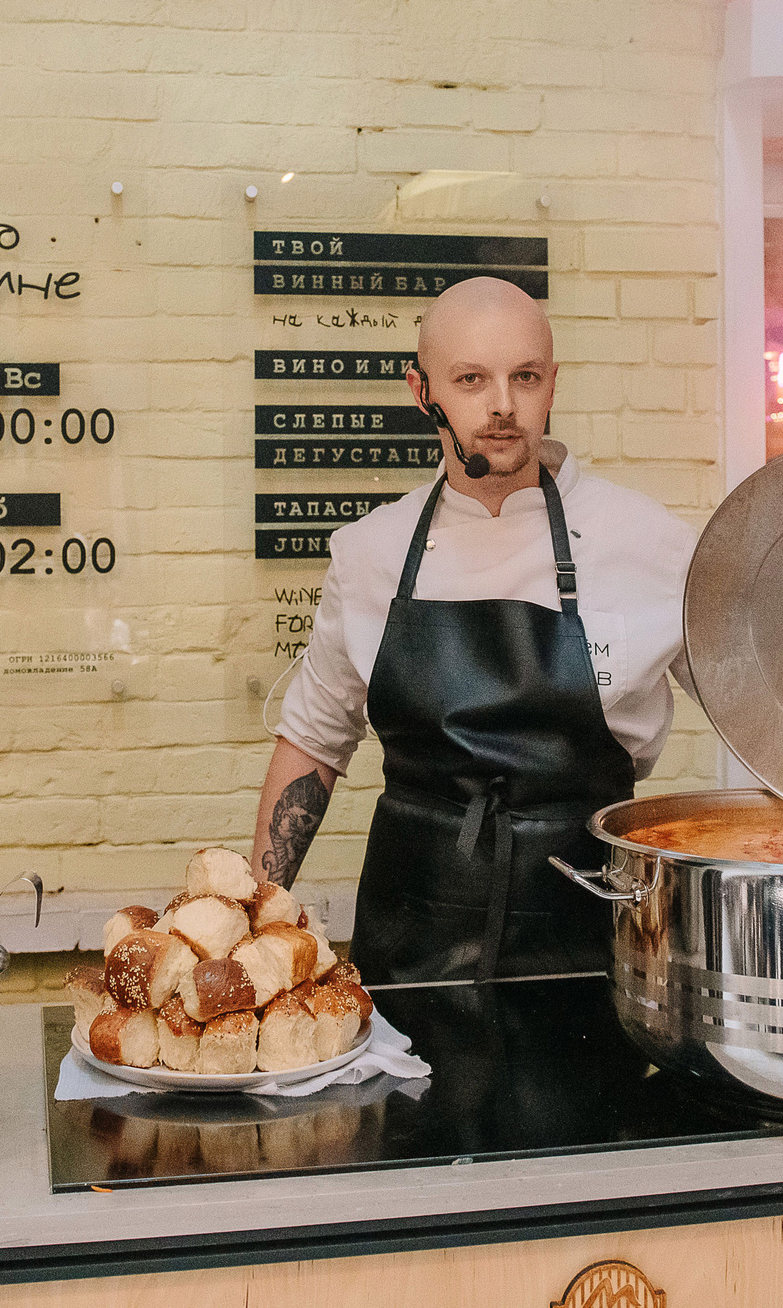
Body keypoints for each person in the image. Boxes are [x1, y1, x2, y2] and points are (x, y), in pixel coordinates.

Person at [250, 275, 700, 984]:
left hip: (593, 946)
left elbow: (758, 712)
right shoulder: (371, 552)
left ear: (553, 383)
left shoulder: (652, 544)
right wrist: (261, 918)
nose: (502, 405)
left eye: (524, 376)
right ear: (420, 389)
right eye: (470, 379)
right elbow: (312, 740)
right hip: (411, 947)